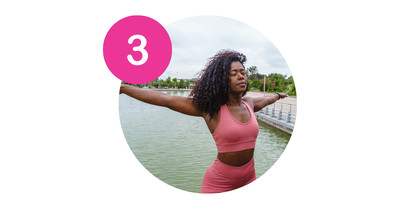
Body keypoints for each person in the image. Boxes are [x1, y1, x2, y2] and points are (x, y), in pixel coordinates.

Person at [119, 50, 288, 193]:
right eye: (233, 74)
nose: (240, 76)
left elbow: (268, 99)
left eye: (242, 72)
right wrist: (124, 88)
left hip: (250, 177)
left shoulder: (249, 103)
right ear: (222, 80)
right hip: (220, 182)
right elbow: (165, 99)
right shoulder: (210, 109)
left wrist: (279, 95)